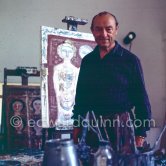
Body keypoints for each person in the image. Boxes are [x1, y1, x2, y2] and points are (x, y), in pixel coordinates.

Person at [72, 11, 151, 152]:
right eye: (98, 29)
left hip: (123, 128)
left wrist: (140, 135)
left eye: (108, 29)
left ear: (116, 30)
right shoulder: (88, 61)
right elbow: (81, 98)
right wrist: (77, 128)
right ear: (92, 31)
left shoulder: (130, 61)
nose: (103, 34)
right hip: (92, 127)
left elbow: (141, 100)